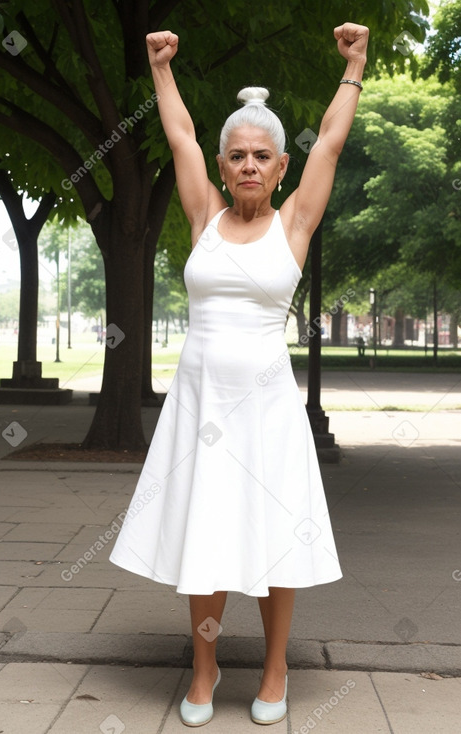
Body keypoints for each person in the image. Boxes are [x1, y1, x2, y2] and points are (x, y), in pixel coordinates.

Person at [110, 22, 369, 727]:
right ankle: (203, 668)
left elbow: (334, 141)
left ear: (281, 167)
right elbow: (180, 139)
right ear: (222, 168)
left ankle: (276, 666)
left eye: (262, 156)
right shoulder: (202, 217)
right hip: (200, 406)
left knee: (273, 535)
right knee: (206, 535)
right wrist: (160, 69)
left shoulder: (294, 226)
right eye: (236, 156)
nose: (248, 165)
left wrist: (354, 65)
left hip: (266, 410)